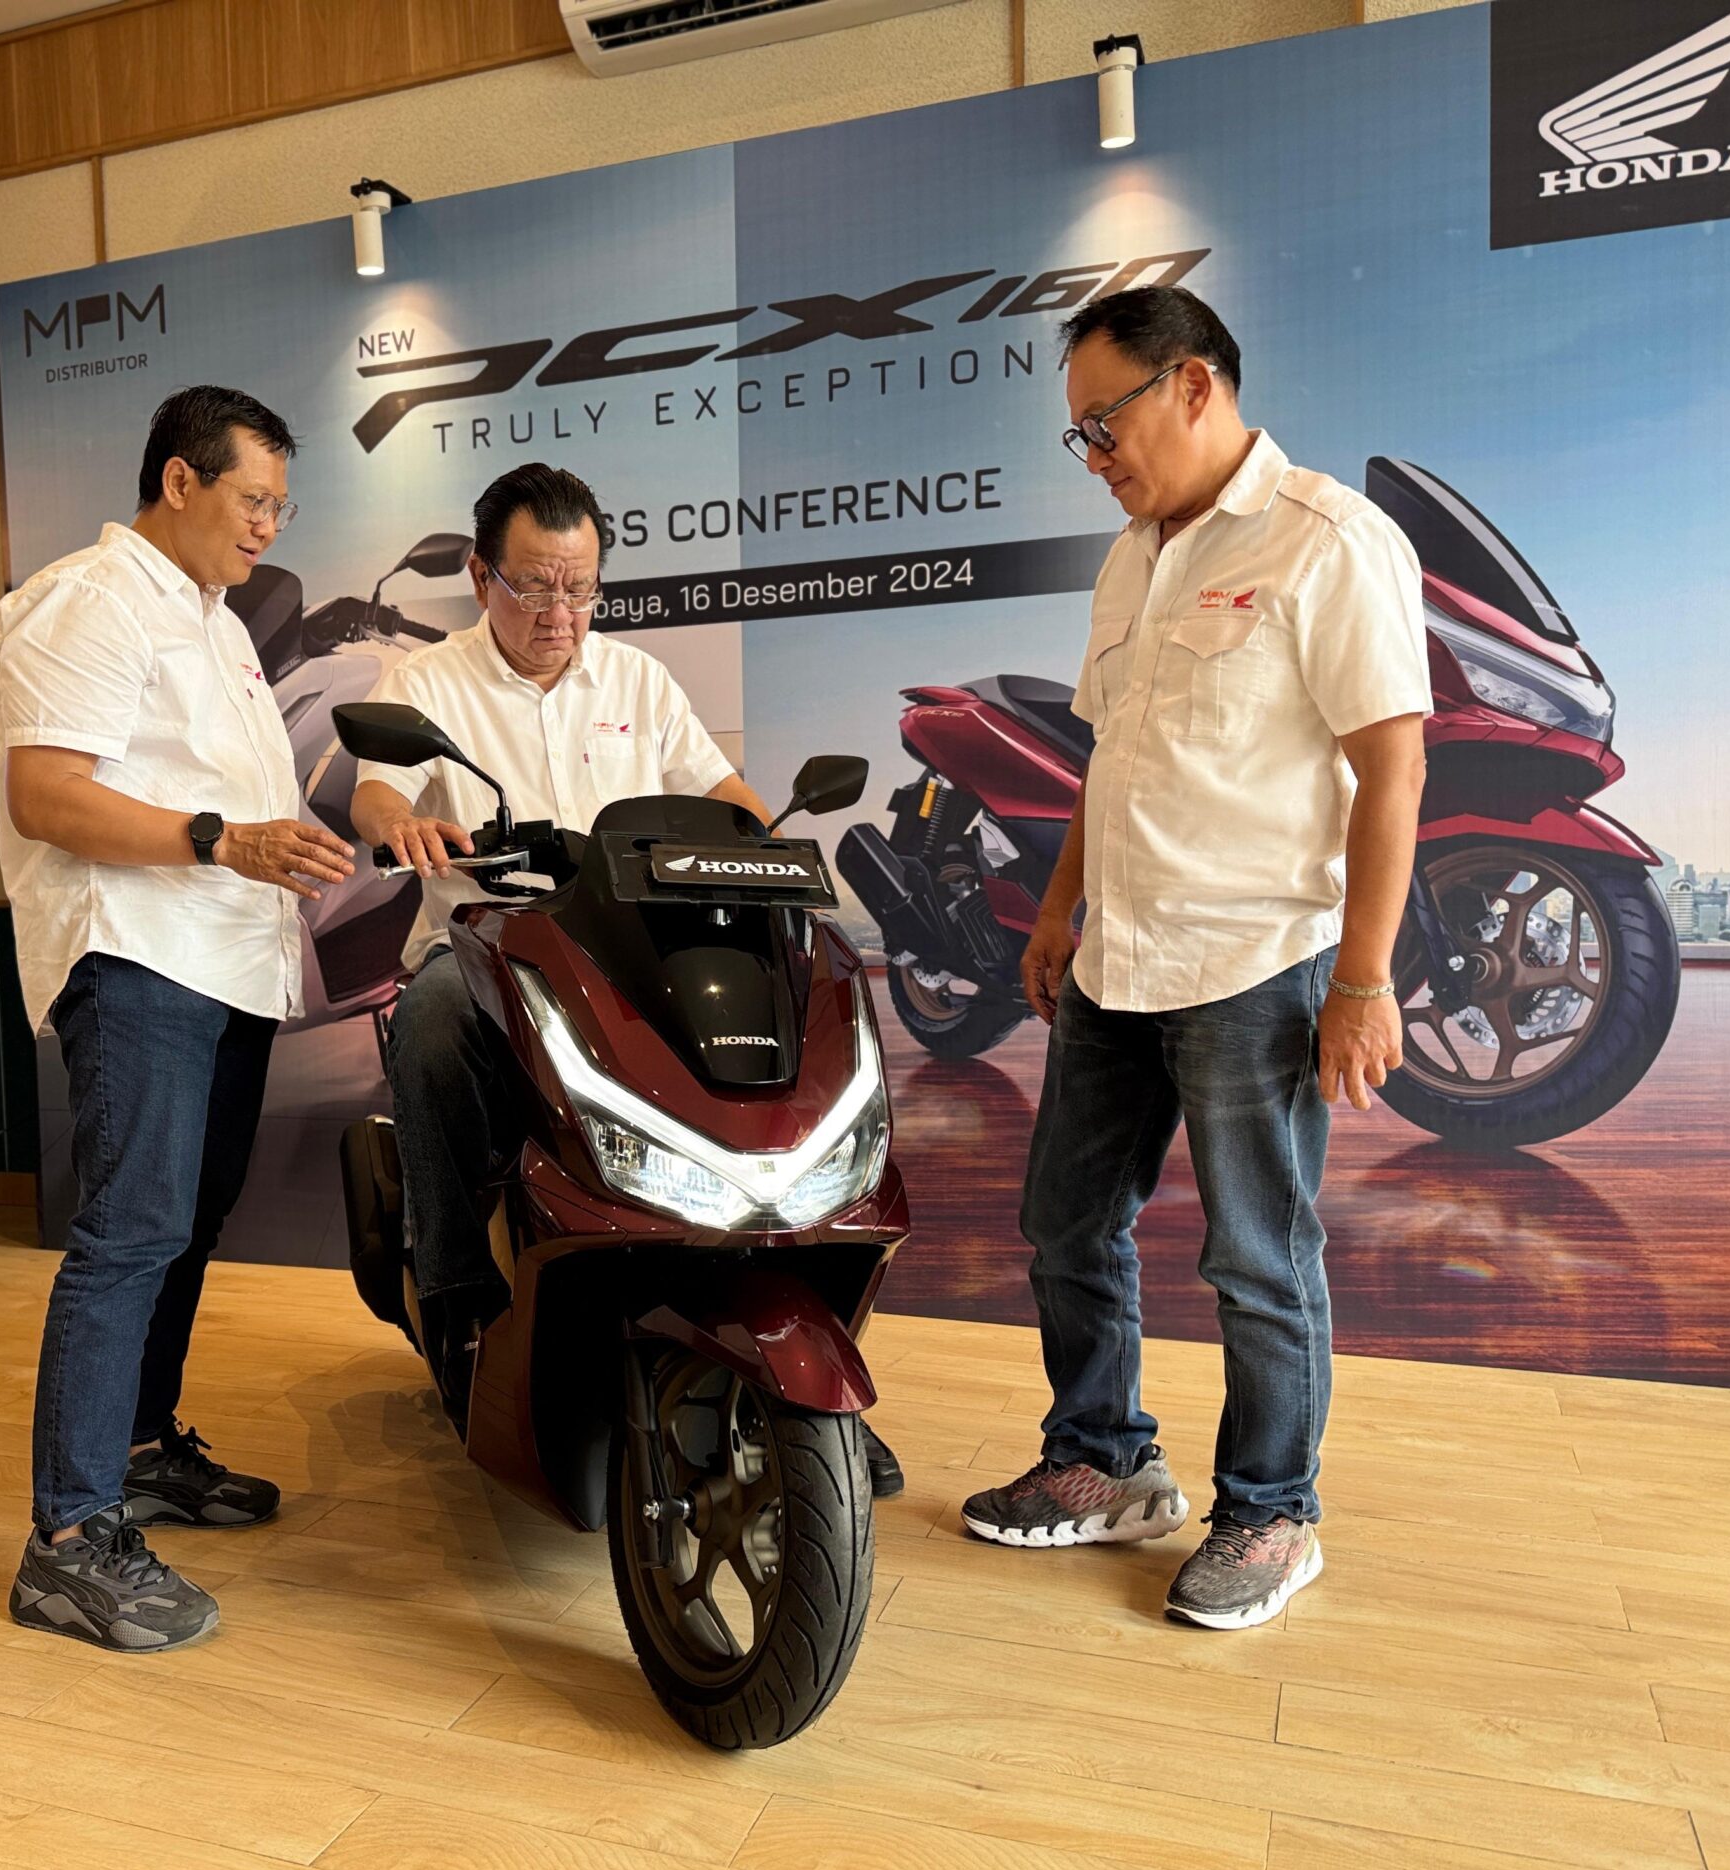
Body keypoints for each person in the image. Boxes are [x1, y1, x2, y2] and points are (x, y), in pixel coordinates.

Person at [959, 288, 1429, 1629]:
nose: (1094, 457)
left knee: (1257, 1259)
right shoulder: (1132, 558)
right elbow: (1111, 759)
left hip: (1254, 961)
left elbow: (1391, 769)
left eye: (1102, 425)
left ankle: (1272, 1514)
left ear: (1193, 386)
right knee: (1066, 1223)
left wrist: (1364, 979)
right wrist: (1058, 910)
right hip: (1117, 957)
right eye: (1078, 436)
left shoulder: (1327, 538)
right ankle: (1103, 1462)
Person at [350, 462, 907, 1498]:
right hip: (487, 949)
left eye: (580, 588)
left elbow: (722, 793)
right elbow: (375, 794)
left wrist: (771, 840)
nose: (560, 613)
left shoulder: (638, 682)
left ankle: (797, 1359)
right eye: (534, 586)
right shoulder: (425, 685)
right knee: (428, 1022)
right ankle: (456, 1294)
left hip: (624, 955)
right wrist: (403, 826)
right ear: (479, 576)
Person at [0, 385, 355, 1654]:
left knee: (184, 1226)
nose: (268, 527)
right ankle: (67, 1543)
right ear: (180, 481)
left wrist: (273, 848)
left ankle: (139, 1453)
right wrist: (224, 839)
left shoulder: (216, 621)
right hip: (138, 957)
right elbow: (46, 797)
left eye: (281, 507)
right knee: (131, 1233)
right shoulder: (85, 600)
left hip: (226, 963)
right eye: (252, 499)